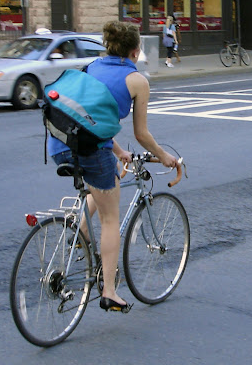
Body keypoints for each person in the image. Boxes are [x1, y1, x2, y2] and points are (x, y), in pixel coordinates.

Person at [48, 20, 178, 313]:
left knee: (103, 185)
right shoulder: (137, 80)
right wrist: (164, 156)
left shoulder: (92, 67)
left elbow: (89, 119)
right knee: (110, 218)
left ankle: (80, 239)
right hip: (90, 150)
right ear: (135, 51)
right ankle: (109, 292)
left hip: (59, 145)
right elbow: (142, 135)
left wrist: (118, 151)